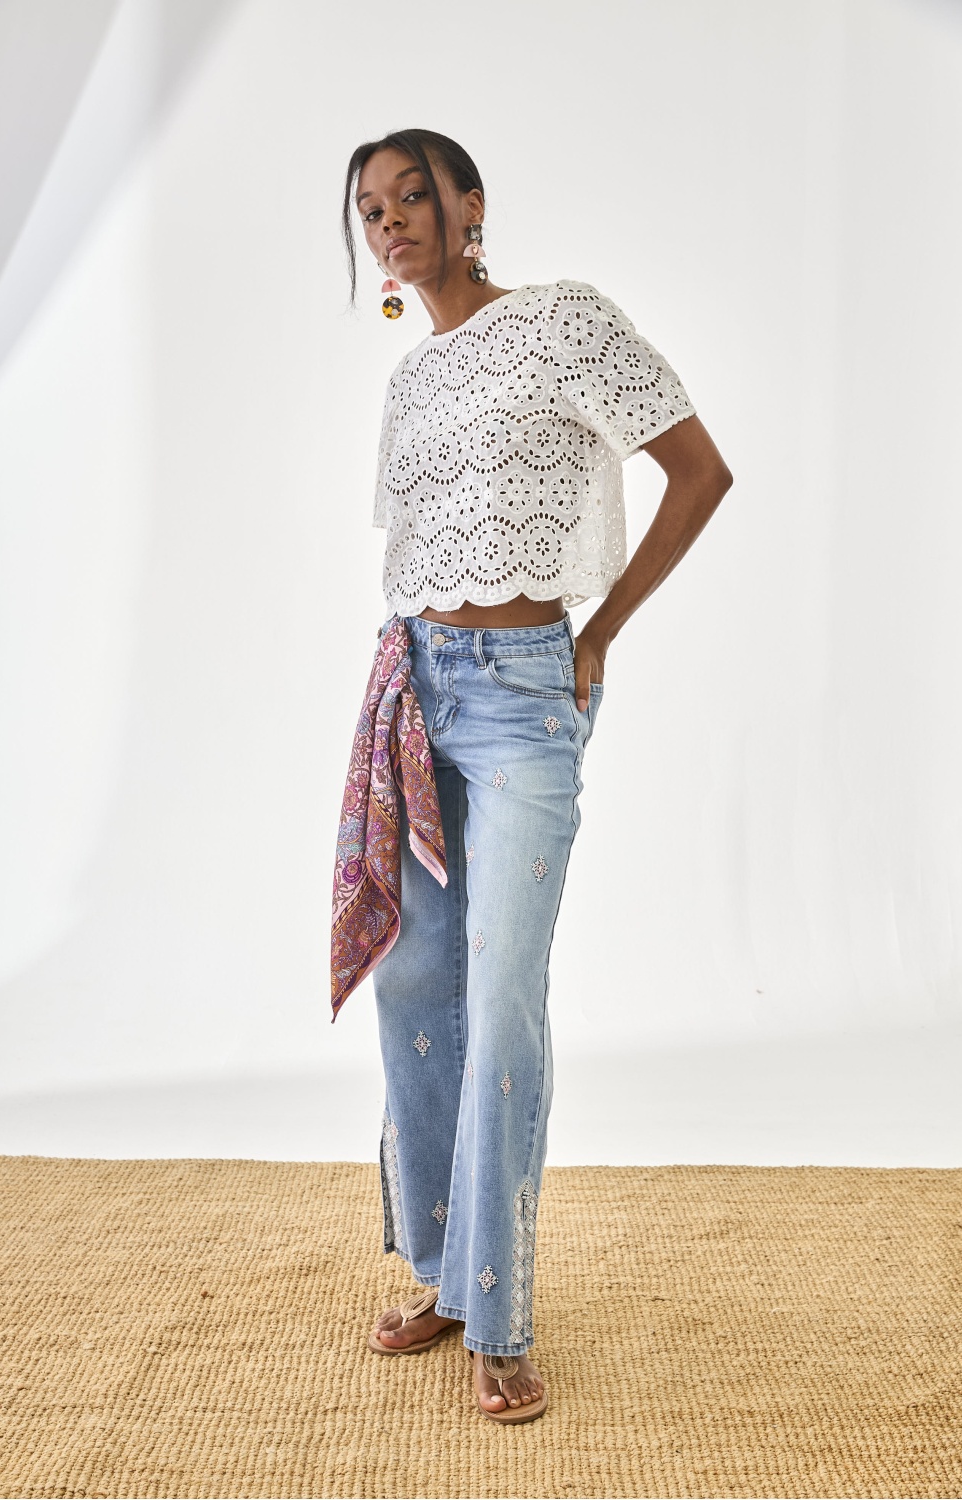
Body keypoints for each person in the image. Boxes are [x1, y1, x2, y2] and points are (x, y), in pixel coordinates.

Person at [340, 128, 733, 1423]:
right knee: (415, 980)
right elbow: (419, 558)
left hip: (523, 702)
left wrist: (599, 635)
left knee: (503, 992)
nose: (393, 221)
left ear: (471, 206)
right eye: (372, 209)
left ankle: (499, 1314)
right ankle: (444, 1273)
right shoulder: (410, 381)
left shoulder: (562, 321)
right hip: (419, 691)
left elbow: (699, 472)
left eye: (414, 195)